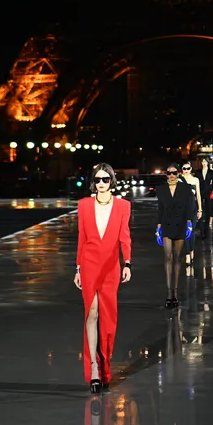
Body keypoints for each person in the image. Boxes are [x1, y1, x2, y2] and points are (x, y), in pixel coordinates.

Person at [73, 162, 132, 394]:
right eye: (97, 179)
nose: (101, 183)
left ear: (112, 181)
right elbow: (82, 238)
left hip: (111, 267)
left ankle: (106, 366)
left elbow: (125, 237)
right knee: (92, 312)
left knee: (108, 319)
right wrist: (77, 268)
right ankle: (94, 369)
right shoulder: (84, 205)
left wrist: (127, 262)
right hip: (89, 264)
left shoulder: (123, 206)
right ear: (93, 182)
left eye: (105, 179)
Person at [157, 163, 194, 309]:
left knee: (178, 257)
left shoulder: (185, 189)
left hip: (180, 224)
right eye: (169, 173)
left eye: (174, 173)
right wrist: (158, 227)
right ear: (166, 174)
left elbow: (189, 207)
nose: (171, 175)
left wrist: (189, 223)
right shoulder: (161, 190)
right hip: (166, 224)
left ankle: (176, 294)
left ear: (178, 173)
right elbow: (160, 209)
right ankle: (168, 294)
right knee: (168, 257)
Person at [179, 161, 202, 264]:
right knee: (185, 232)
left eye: (188, 168)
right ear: (182, 170)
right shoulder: (179, 180)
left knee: (191, 231)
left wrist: (200, 209)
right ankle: (188, 254)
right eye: (184, 169)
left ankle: (192, 250)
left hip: (193, 208)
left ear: (191, 169)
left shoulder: (195, 180)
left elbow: (198, 195)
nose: (186, 171)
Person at [199, 156, 213, 229]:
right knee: (200, 206)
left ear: (208, 163)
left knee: (209, 207)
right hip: (200, 191)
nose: (204, 163)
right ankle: (200, 220)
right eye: (202, 162)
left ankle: (209, 221)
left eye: (205, 161)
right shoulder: (198, 172)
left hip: (209, 191)